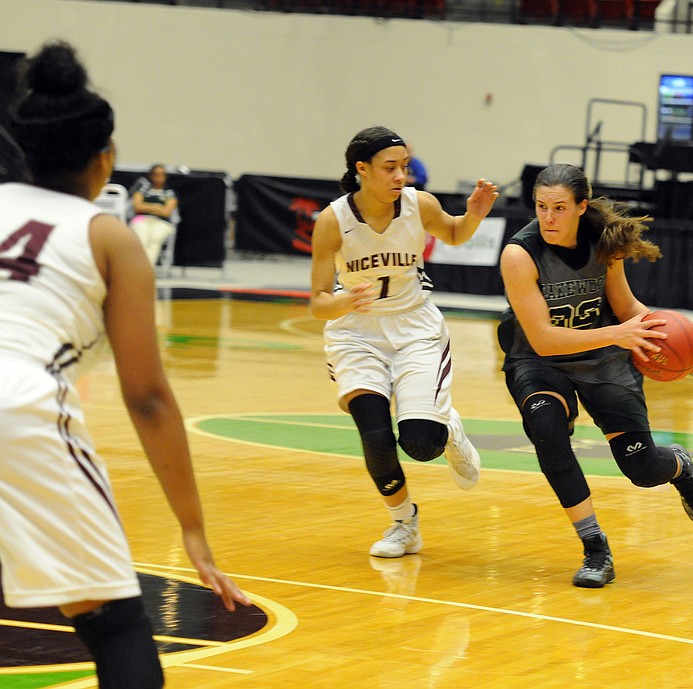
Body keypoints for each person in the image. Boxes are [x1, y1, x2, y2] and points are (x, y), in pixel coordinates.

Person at [0, 41, 250, 689]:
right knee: (115, 624)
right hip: (18, 401)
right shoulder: (107, 234)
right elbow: (147, 397)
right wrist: (193, 531)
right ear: (105, 157)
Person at [497, 163, 693, 589]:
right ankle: (595, 548)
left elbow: (626, 304)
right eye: (541, 207)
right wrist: (619, 331)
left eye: (560, 207)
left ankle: (678, 467)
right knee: (547, 430)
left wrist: (660, 332)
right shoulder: (519, 254)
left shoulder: (603, 243)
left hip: (604, 360)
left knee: (642, 469)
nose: (549, 218)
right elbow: (542, 339)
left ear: (581, 206)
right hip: (540, 360)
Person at [310, 125, 499, 558]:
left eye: (405, 167)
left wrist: (474, 214)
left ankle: (446, 427)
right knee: (374, 436)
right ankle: (404, 524)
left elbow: (453, 234)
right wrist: (342, 301)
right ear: (362, 169)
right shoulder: (333, 220)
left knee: (420, 444)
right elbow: (318, 302)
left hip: (415, 330)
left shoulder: (419, 204)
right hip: (356, 334)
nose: (401, 176)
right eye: (390, 168)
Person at [129, 163, 178, 266]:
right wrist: (157, 207)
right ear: (151, 175)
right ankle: (137, 267)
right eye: (156, 174)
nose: (158, 178)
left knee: (156, 237)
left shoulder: (169, 193)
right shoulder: (142, 189)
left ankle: (147, 268)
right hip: (141, 219)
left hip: (162, 222)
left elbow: (166, 212)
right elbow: (137, 206)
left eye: (161, 175)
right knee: (141, 238)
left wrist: (146, 206)